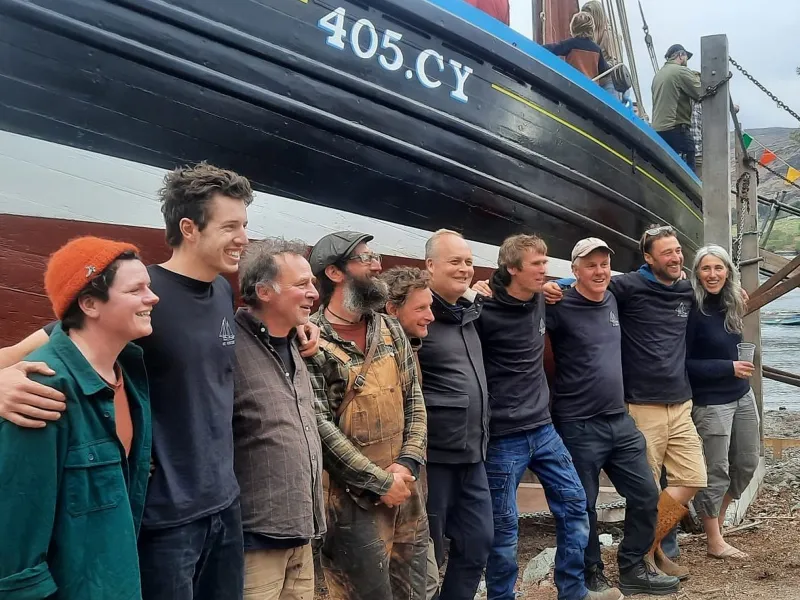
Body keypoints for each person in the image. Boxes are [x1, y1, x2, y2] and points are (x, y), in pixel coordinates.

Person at [0, 163, 317, 600]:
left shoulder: (223, 293)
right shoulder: (142, 298)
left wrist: (301, 326)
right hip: (166, 519)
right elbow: (57, 345)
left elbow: (235, 336)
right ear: (189, 227)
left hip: (225, 507)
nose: (244, 237)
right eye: (230, 226)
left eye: (244, 224)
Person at [544, 225, 708, 581]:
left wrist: (729, 292)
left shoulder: (616, 297)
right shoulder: (570, 301)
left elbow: (709, 292)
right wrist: (545, 285)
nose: (600, 271)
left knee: (649, 493)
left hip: (621, 417)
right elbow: (523, 311)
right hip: (581, 420)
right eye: (591, 265)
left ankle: (636, 562)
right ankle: (592, 574)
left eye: (605, 264)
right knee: (583, 503)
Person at [0, 236, 159, 599]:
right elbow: (15, 558)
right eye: (137, 289)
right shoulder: (40, 394)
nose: (153, 298)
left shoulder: (129, 377)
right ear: (89, 304)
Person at [471, 234, 618, 600]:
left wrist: (556, 284)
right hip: (504, 436)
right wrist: (473, 290)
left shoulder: (542, 297)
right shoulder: (483, 310)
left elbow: (578, 281)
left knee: (575, 507)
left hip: (544, 428)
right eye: (536, 264)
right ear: (511, 269)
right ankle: (501, 596)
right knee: (504, 529)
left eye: (545, 262)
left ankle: (573, 591)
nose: (544, 269)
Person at [306, 231, 429, 600]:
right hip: (350, 503)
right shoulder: (312, 339)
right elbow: (320, 426)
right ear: (334, 272)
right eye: (365, 258)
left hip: (406, 490)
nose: (378, 265)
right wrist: (379, 482)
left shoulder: (389, 328)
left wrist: (406, 464)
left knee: (414, 593)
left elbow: (415, 401)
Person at [232, 238, 326, 599]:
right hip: (254, 542)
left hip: (300, 534)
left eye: (312, 283)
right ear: (264, 292)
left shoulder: (294, 342)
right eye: (301, 284)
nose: (313, 293)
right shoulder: (228, 346)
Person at [418, 229, 493, 600]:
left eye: (468, 261)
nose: (464, 268)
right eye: (455, 261)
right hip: (434, 458)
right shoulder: (417, 315)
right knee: (428, 551)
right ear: (430, 266)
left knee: (479, 542)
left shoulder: (468, 312)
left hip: (473, 453)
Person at [687, 245, 760, 561]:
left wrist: (735, 371)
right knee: (715, 470)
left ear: (729, 271)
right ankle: (714, 539)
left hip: (742, 394)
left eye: (719, 268)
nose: (712, 274)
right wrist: (726, 367)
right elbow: (684, 364)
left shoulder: (731, 303)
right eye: (706, 268)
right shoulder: (690, 307)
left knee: (746, 464)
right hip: (710, 401)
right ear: (697, 273)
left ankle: (715, 521)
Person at [381, 265, 438, 600]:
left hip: (413, 480)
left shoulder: (409, 346)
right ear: (392, 309)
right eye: (421, 308)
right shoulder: (382, 354)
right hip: (387, 485)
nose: (431, 316)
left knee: (424, 580)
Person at [651, 44, 701, 170]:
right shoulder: (681, 71)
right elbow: (702, 92)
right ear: (681, 55)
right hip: (676, 130)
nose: (686, 62)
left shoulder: (658, 76)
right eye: (686, 58)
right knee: (688, 172)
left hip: (658, 131)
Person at [545, 12, 611, 82]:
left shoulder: (571, 44)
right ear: (591, 29)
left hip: (574, 85)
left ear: (573, 28)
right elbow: (605, 71)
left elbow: (553, 48)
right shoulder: (597, 49)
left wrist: (536, 48)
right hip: (591, 88)